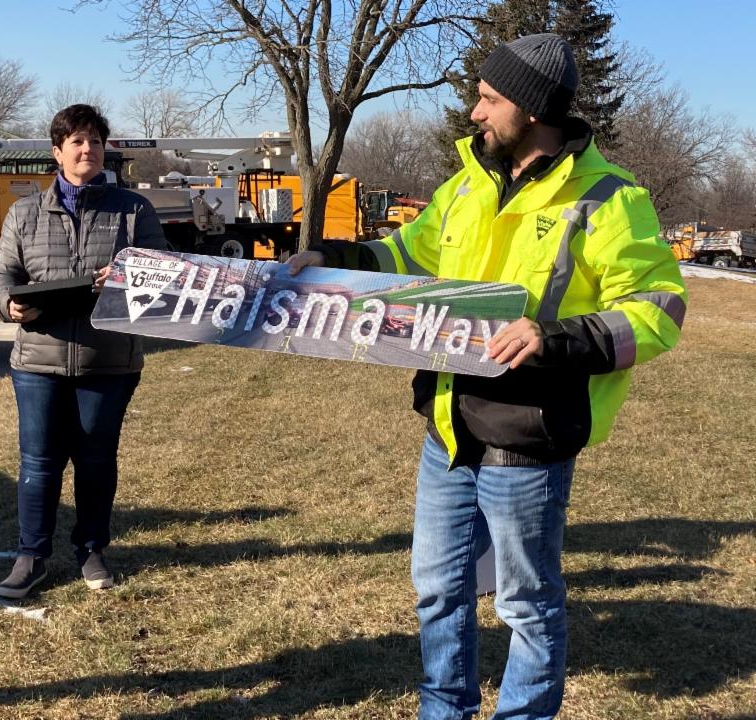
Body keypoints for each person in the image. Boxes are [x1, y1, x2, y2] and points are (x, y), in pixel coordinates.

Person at [289, 34, 686, 720]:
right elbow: (406, 255)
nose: (474, 112)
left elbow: (660, 309)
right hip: (447, 427)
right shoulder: (467, 180)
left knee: (526, 604)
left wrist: (552, 336)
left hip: (530, 440)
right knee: (437, 591)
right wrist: (332, 258)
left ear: (531, 110)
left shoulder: (611, 200)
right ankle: (444, 708)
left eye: (489, 98)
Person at [0, 104, 168, 599]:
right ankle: (31, 557)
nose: (86, 149)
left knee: (95, 461)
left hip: (108, 361)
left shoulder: (134, 211)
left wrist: (131, 276)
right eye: (76, 142)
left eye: (94, 141)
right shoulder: (25, 212)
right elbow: (1, 275)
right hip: (37, 363)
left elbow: (164, 271)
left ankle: (91, 549)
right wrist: (9, 304)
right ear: (57, 152)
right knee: (39, 463)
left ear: (104, 149)